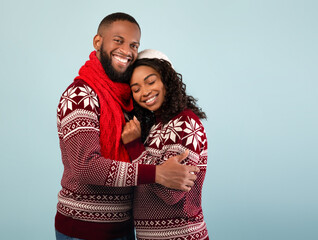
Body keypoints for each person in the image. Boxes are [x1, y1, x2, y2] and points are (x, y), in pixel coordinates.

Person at [55, 13, 199, 240]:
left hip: (124, 227)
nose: (127, 50)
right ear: (98, 42)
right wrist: (157, 174)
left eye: (134, 45)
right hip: (85, 229)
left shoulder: (127, 100)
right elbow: (85, 167)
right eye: (118, 40)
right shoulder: (80, 95)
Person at [121, 49, 209, 240]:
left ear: (167, 80)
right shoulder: (155, 125)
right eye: (136, 89)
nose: (144, 92)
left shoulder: (185, 123)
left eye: (150, 82)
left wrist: (135, 147)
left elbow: (171, 193)